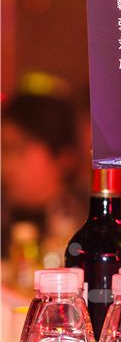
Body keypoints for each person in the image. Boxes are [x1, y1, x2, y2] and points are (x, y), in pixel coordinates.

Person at [1, 93, 86, 273]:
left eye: (17, 149)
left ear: (63, 157)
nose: (5, 165)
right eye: (4, 150)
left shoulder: (87, 228)